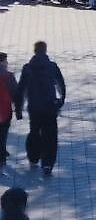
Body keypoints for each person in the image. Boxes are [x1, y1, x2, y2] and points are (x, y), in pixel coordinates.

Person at [15, 41, 66, 177]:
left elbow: (21, 90)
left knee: (34, 132)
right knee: (50, 136)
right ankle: (47, 164)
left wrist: (19, 110)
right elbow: (61, 85)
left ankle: (33, 157)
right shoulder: (52, 66)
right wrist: (61, 101)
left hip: (34, 108)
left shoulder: (28, 68)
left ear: (34, 51)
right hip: (50, 107)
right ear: (45, 50)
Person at [0, 53, 17, 167]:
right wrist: (18, 108)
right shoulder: (9, 76)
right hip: (5, 111)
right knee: (3, 134)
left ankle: (2, 151)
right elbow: (15, 94)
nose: (7, 63)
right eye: (6, 61)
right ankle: (2, 156)